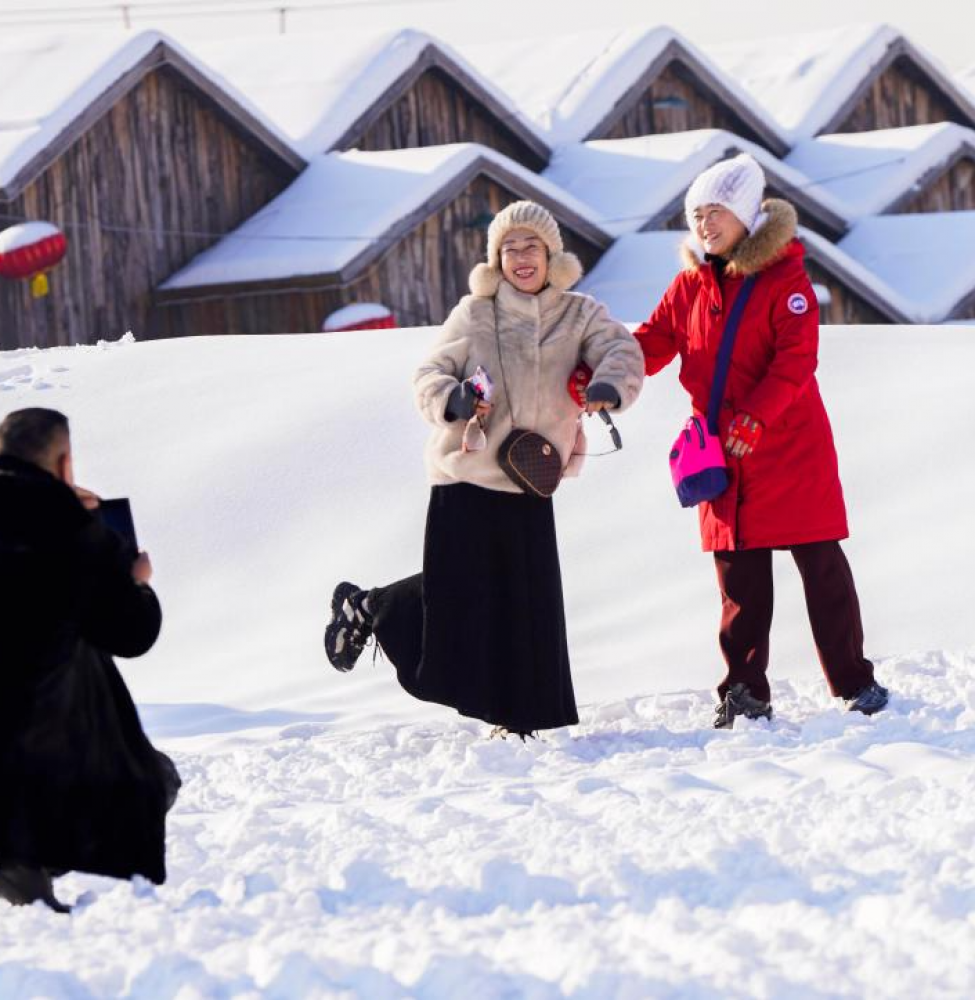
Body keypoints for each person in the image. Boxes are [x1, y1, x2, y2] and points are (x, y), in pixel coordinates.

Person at [324, 200, 643, 738]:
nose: (521, 258)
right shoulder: (475, 313)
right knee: (460, 594)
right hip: (466, 473)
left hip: (532, 478)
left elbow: (622, 351)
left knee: (527, 598)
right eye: (509, 249)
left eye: (531, 248)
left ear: (551, 255)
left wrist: (610, 387)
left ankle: (518, 715)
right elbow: (428, 373)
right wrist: (453, 399)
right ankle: (369, 606)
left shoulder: (580, 313)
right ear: (496, 259)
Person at [619, 153, 887, 728]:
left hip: (788, 448)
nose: (705, 225)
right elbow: (652, 342)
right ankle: (744, 691)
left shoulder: (786, 280)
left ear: (745, 216)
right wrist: (603, 377)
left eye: (716, 212)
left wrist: (757, 417)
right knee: (738, 582)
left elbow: (796, 360)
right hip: (724, 455)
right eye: (696, 214)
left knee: (822, 570)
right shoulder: (688, 285)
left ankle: (855, 682)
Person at [0, 408, 179, 912]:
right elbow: (130, 634)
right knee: (154, 779)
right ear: (65, 461)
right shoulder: (70, 529)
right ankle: (26, 868)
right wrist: (135, 583)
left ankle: (16, 866)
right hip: (43, 729)